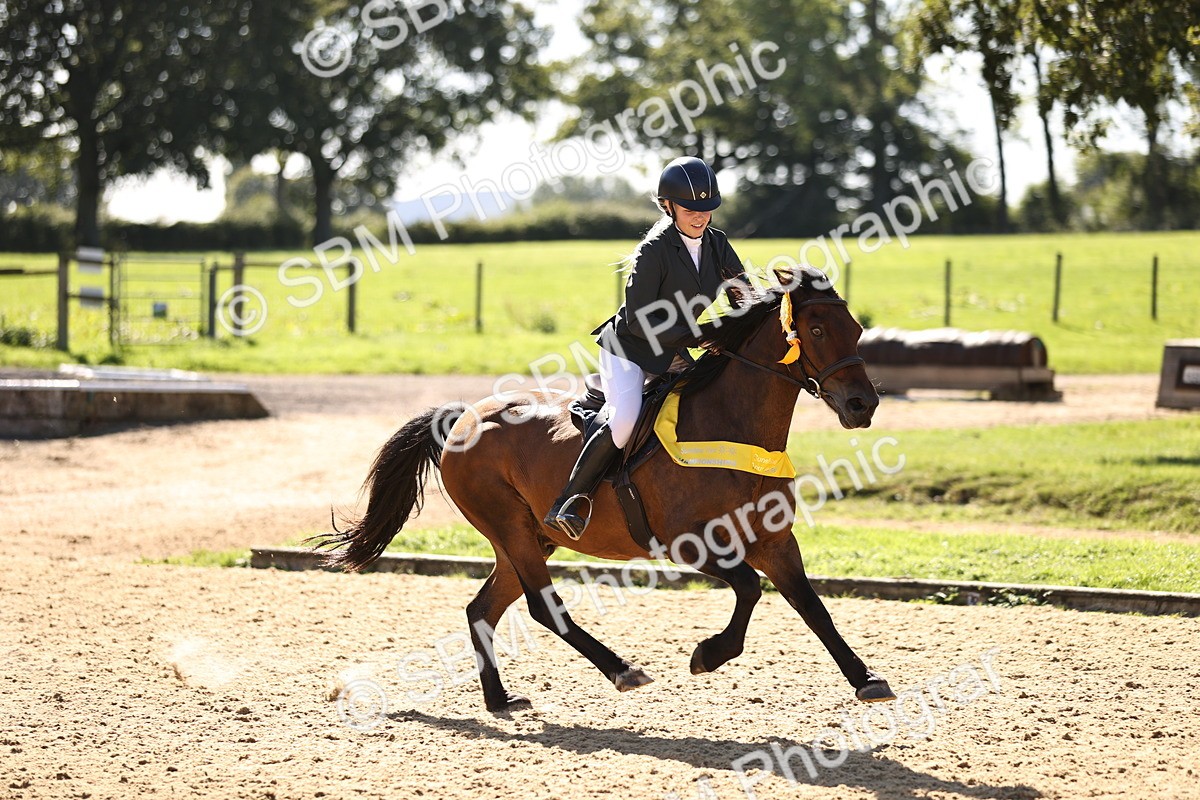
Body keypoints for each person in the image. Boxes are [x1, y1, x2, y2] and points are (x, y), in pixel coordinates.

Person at [543, 156, 748, 539]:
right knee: (624, 420)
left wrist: (770, 315)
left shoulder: (718, 244)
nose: (700, 217)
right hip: (630, 350)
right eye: (690, 209)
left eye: (707, 209)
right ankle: (569, 502)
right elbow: (639, 320)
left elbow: (743, 295)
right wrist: (701, 336)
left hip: (676, 351)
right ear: (668, 206)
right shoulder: (653, 250)